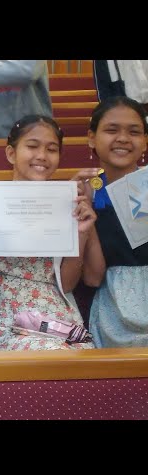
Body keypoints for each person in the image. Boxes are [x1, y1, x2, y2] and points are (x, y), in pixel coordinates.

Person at [0, 115, 98, 350]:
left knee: (84, 359)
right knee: (52, 355)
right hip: (7, 316)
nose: (42, 156)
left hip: (58, 316)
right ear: (11, 154)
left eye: (52, 149)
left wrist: (82, 234)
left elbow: (65, 284)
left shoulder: (65, 204)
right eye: (32, 146)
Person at [86, 96, 148, 348]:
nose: (123, 138)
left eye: (134, 132)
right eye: (112, 130)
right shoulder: (84, 193)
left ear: (145, 141)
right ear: (92, 138)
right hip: (116, 303)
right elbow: (91, 278)